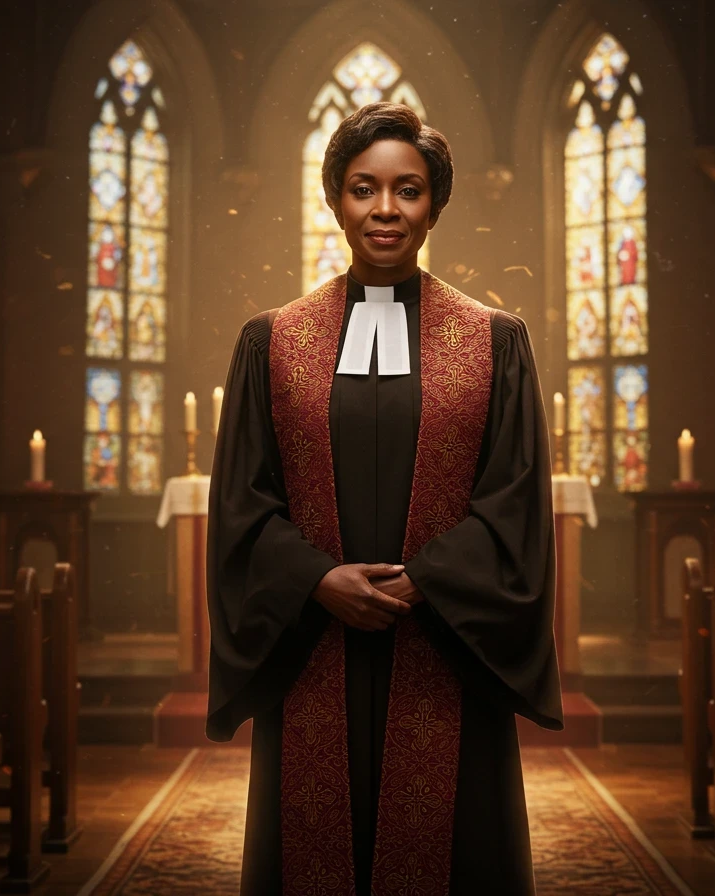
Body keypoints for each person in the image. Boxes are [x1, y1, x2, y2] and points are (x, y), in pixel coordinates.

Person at [207, 101, 562, 896]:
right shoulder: (272, 340)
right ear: (334, 198)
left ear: (435, 204)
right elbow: (243, 502)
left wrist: (429, 580)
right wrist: (316, 580)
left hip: (444, 638)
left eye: (408, 190)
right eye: (364, 189)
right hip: (312, 643)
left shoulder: (495, 340)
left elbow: (513, 501)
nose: (385, 210)